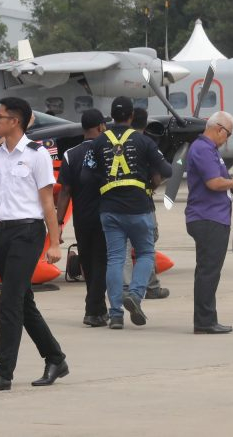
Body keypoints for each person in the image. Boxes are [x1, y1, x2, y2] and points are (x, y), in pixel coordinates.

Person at [0, 97, 68, 391]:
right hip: (4, 233)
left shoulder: (37, 155)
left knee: (8, 303)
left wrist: (55, 243)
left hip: (28, 232)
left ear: (15, 121)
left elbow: (49, 203)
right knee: (23, 301)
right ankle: (56, 358)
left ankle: (3, 372)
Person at [89, 96, 173, 329]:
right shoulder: (143, 141)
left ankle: (115, 314)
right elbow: (166, 169)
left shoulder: (98, 142)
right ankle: (135, 295)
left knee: (115, 259)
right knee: (146, 253)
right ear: (132, 116)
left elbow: (89, 170)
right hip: (138, 207)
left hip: (109, 209)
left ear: (111, 116)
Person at [185, 111, 233, 334]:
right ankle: (204, 321)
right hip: (208, 217)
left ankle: (206, 318)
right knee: (208, 271)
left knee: (208, 270)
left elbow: (217, 181)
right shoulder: (203, 149)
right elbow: (213, 183)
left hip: (211, 216)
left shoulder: (207, 150)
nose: (227, 139)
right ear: (219, 129)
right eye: (228, 134)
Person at [55, 110, 110, 327]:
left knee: (88, 262)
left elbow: (65, 191)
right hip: (107, 216)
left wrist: (58, 223)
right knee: (103, 263)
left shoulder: (70, 154)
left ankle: (97, 308)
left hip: (82, 218)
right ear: (101, 127)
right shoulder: (108, 151)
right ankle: (92, 309)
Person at [123, 108, 167, 301]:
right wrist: (150, 186)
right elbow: (160, 174)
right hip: (143, 203)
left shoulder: (115, 143)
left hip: (115, 203)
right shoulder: (147, 144)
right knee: (146, 244)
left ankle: (126, 288)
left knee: (122, 249)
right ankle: (150, 286)